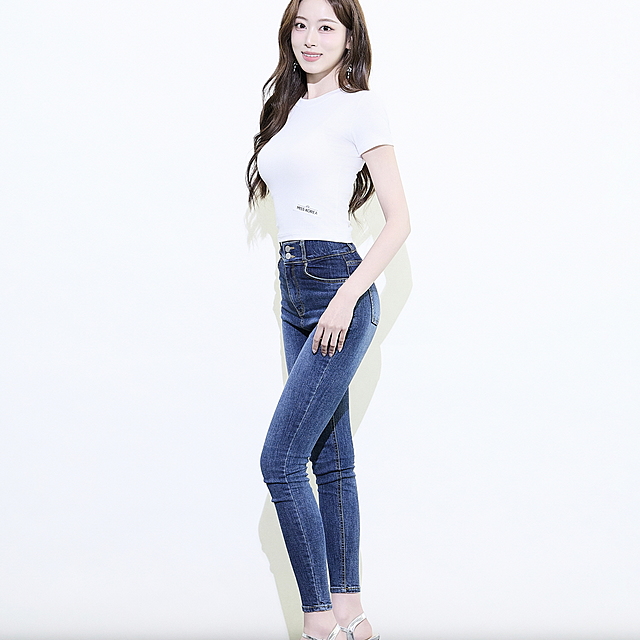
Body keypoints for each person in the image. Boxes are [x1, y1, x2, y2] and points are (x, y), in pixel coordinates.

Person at [246, 0, 410, 638]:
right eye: (301, 25)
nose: (310, 38)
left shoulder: (361, 106)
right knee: (331, 458)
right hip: (292, 289)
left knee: (281, 459)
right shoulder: (289, 110)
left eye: (326, 26)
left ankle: (317, 623)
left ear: (349, 36)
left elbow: (399, 221)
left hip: (337, 285)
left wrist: (345, 297)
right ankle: (351, 616)